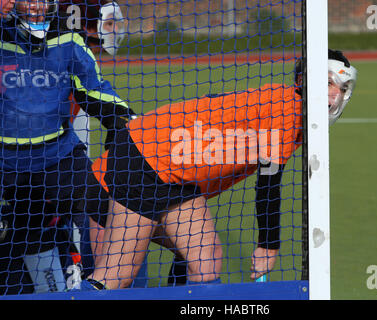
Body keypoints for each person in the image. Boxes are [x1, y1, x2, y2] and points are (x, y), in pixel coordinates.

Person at [75, 49, 358, 291]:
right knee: (116, 278)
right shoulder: (287, 109)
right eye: (329, 83)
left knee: (205, 260)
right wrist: (268, 246)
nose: (335, 95)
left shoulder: (294, 115)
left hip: (175, 176)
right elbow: (268, 185)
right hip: (146, 161)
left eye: (343, 89)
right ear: (303, 81)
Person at [0, 0, 135, 294]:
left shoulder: (67, 36)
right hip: (8, 167)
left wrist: (124, 119)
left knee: (116, 209)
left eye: (42, 0)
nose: (35, 7)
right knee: (18, 247)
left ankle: (111, 287)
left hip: (61, 158)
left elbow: (94, 88)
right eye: (26, 0)